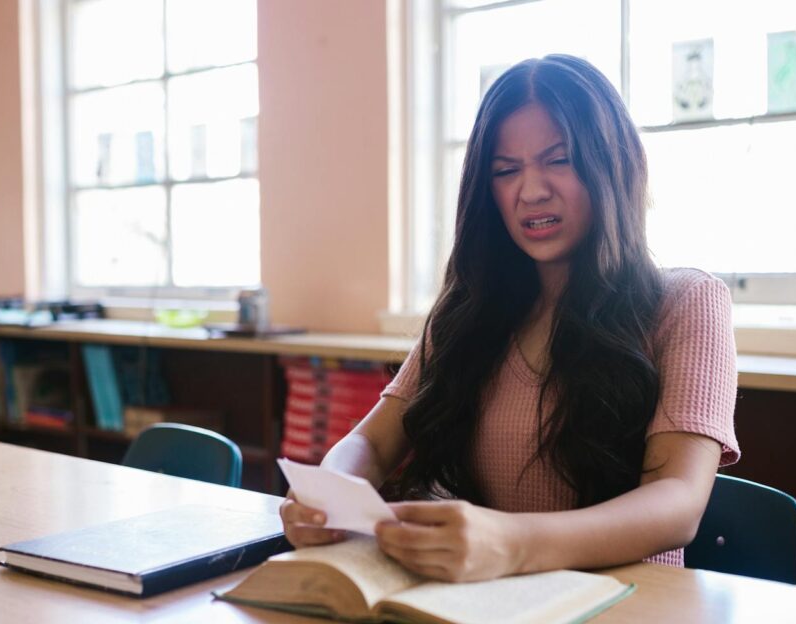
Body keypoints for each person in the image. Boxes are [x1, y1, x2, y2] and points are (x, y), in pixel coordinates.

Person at [280, 54, 739, 582]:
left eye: (559, 159)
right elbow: (372, 442)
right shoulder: (469, 309)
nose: (532, 189)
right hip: (479, 599)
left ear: (612, 164)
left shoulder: (687, 301)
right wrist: (329, 495)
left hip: (623, 602)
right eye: (506, 170)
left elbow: (679, 503)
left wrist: (514, 543)